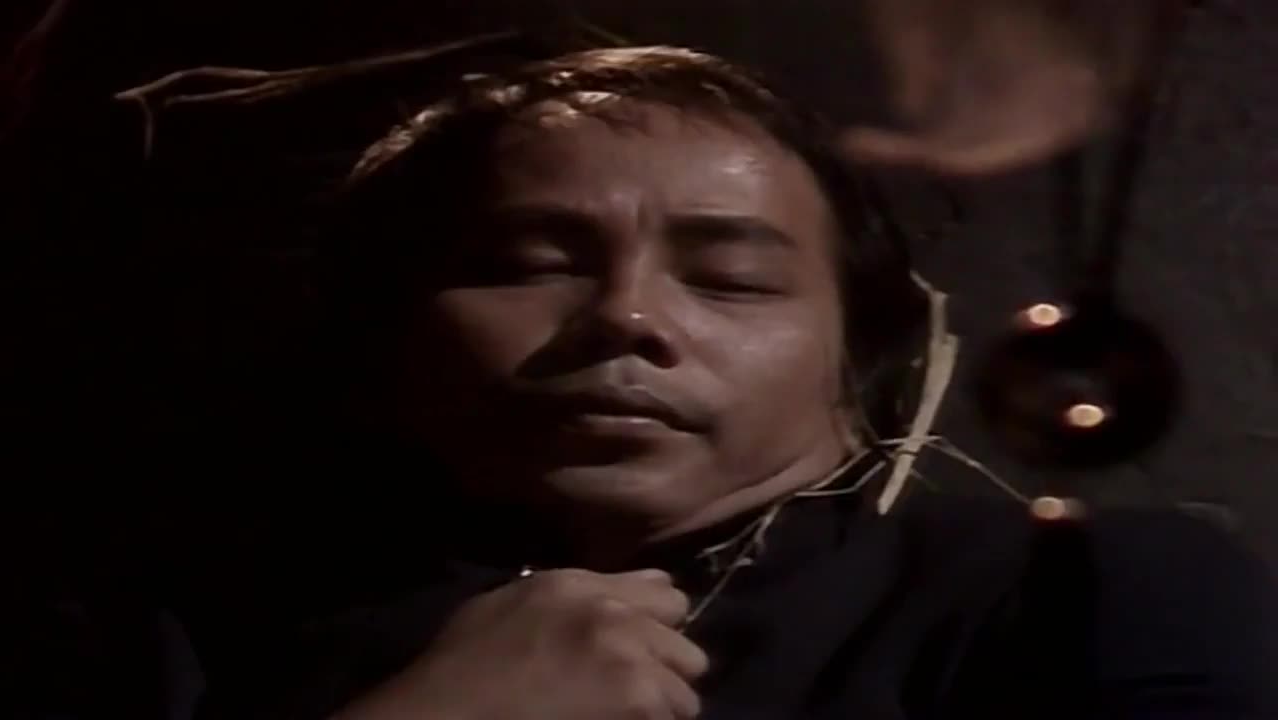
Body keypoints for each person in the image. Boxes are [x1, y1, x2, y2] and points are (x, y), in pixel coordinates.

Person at [191, 46, 1277, 720]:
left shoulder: (1073, 595)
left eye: (731, 279)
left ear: (857, 357)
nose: (626, 316)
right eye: (529, 263)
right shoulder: (194, 639)